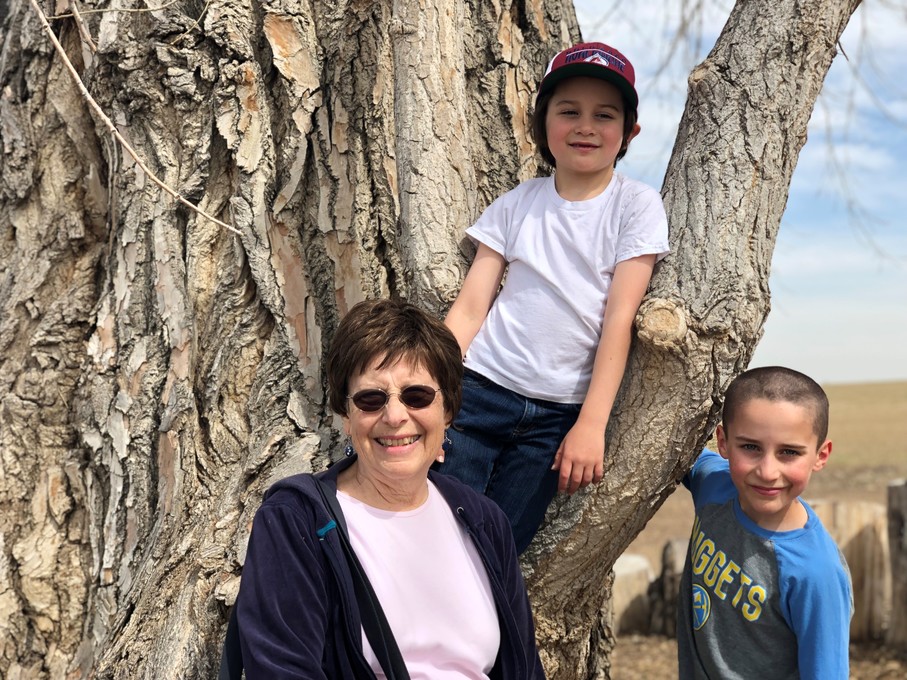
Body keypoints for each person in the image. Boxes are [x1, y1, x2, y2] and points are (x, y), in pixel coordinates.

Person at [438, 42, 670, 552]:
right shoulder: (518, 203)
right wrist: (433, 393)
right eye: (569, 111)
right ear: (542, 123)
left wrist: (591, 423)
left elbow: (619, 321)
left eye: (604, 115)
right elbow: (472, 307)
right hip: (477, 391)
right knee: (437, 527)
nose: (585, 125)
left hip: (557, 418)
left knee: (498, 546)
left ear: (629, 133)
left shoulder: (636, 205)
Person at [233, 299, 544, 679]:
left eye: (417, 396)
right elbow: (281, 669)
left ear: (447, 410)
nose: (395, 416)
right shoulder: (297, 520)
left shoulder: (483, 520)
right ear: (347, 417)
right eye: (370, 399)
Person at [678, 366, 853, 679]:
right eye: (750, 447)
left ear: (820, 455)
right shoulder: (714, 486)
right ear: (722, 442)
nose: (768, 471)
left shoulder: (816, 573)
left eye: (789, 452)